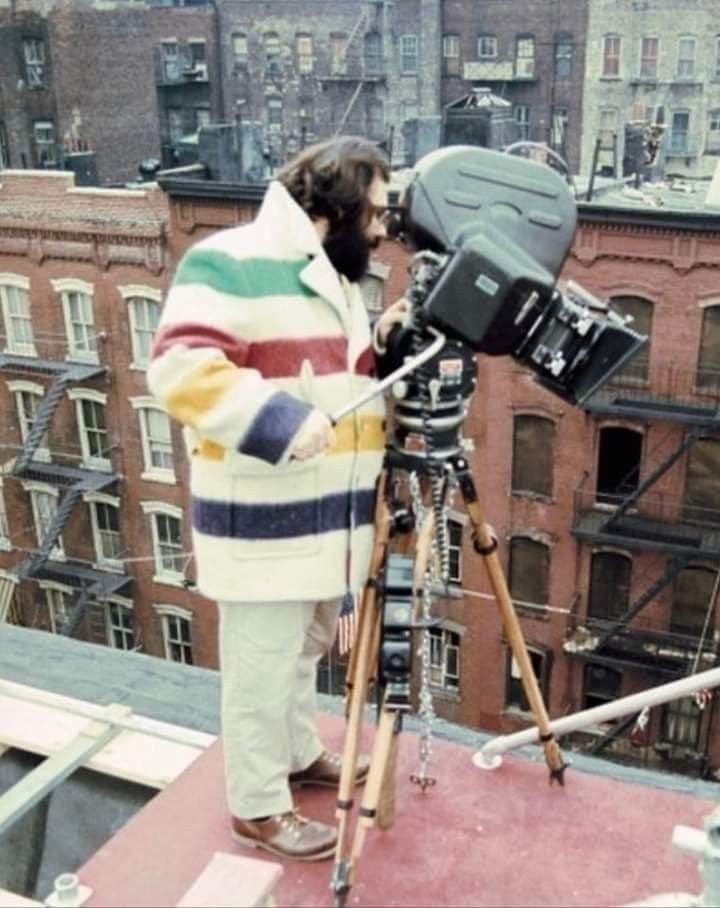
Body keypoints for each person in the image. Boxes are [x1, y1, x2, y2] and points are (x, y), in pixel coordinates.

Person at [147, 136, 410, 861]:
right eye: (379, 213)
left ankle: (296, 757)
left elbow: (338, 384)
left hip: (328, 525)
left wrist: (382, 349)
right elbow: (177, 368)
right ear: (338, 207)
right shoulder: (228, 258)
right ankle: (257, 808)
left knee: (304, 651)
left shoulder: (335, 278)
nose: (386, 230)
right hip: (265, 531)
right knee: (262, 669)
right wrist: (280, 422)